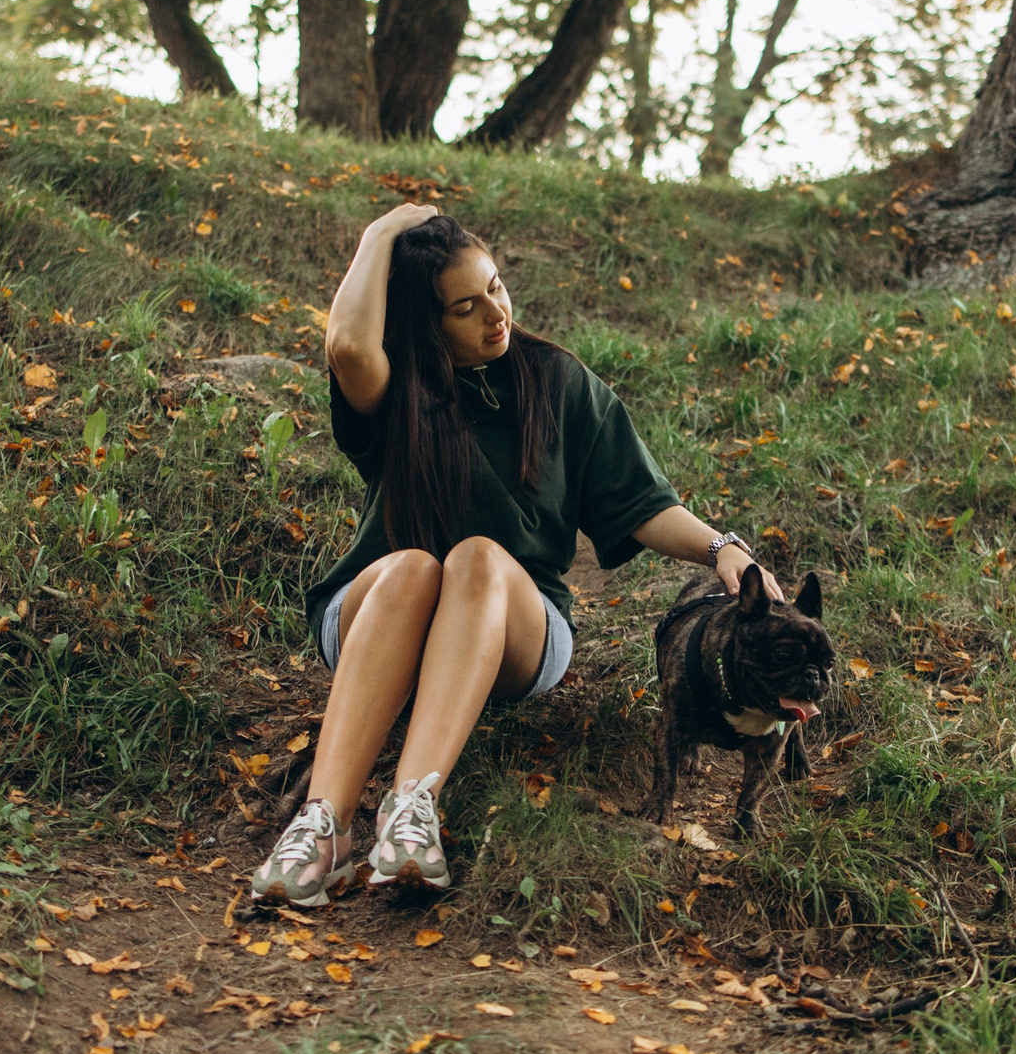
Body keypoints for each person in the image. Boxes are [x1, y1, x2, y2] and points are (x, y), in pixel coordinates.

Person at [249, 204, 787, 906]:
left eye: (496, 288)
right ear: (425, 324)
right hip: (378, 614)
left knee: (475, 557)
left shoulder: (558, 383)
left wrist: (724, 549)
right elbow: (349, 347)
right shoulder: (396, 388)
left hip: (513, 626)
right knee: (416, 565)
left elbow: (644, 503)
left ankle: (410, 809)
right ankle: (322, 825)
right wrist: (377, 235)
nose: (496, 314)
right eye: (465, 308)